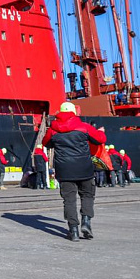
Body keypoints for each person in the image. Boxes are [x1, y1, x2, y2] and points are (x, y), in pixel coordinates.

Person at [43, 101, 107, 241]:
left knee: (69, 200)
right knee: (87, 195)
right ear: (74, 112)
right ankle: (86, 222)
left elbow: (45, 143)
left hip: (65, 170)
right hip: (84, 168)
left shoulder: (53, 130)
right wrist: (100, 132)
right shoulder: (84, 127)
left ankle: (73, 231)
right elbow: (100, 139)